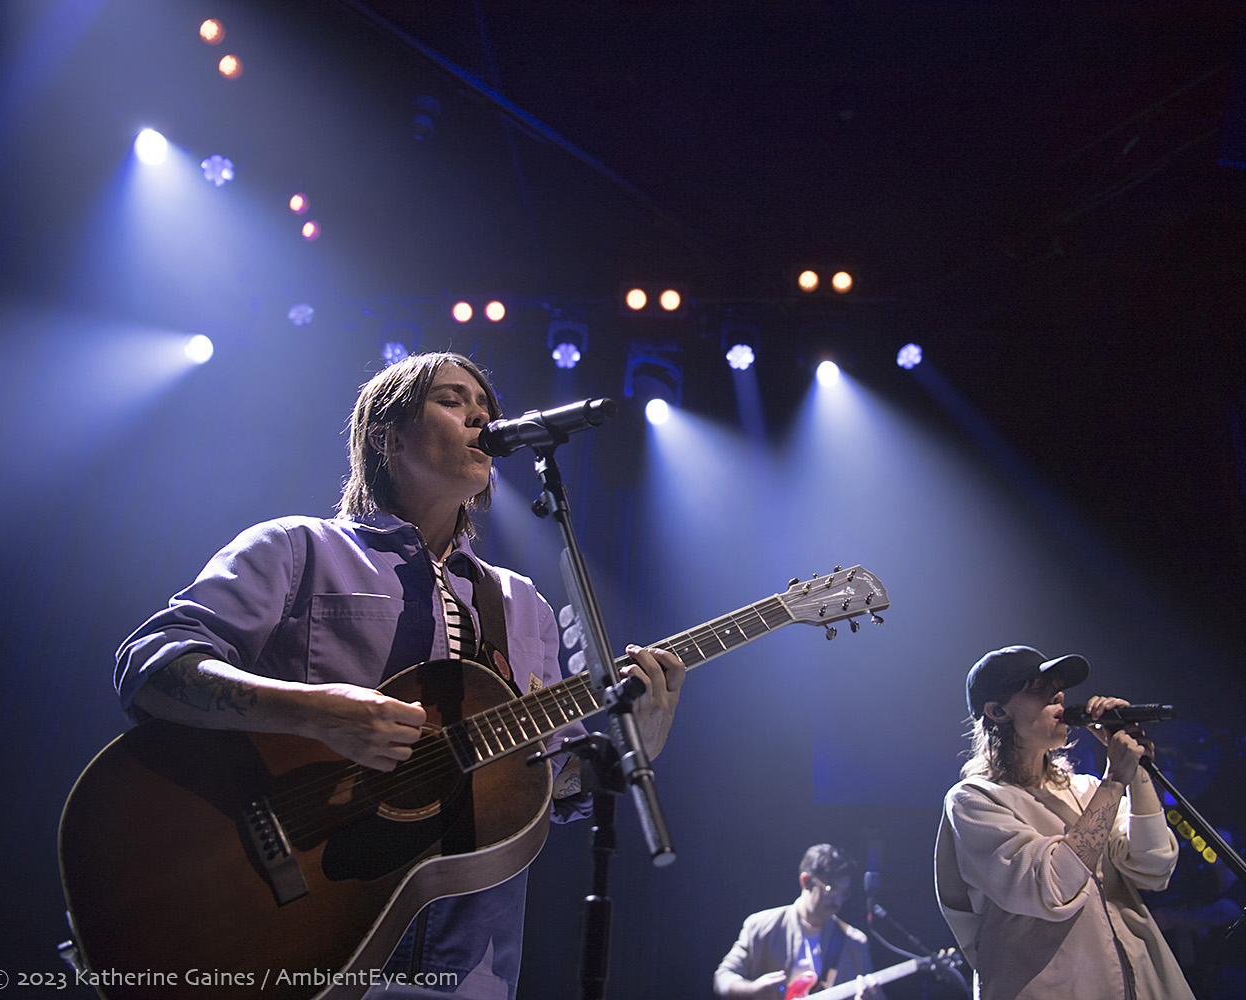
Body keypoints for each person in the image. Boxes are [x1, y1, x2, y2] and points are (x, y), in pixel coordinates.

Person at [114, 351, 685, 999]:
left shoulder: (522, 604)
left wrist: (631, 743)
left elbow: (540, 787)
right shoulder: (296, 549)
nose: (480, 414)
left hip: (471, 966)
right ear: (386, 435)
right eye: (451, 398)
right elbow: (152, 665)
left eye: (486, 406)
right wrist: (312, 711)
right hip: (303, 941)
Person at [933, 645, 1195, 1000]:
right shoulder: (974, 801)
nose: (1058, 695)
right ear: (997, 711)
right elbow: (1053, 887)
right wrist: (1116, 779)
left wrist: (1134, 772)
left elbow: (1154, 866)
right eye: (1037, 688)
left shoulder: (1087, 789)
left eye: (1058, 686)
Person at [714, 843, 884, 999]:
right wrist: (754, 988)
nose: (838, 901)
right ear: (806, 882)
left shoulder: (854, 942)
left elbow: (875, 994)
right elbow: (722, 978)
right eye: (831, 889)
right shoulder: (761, 926)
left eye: (843, 892)